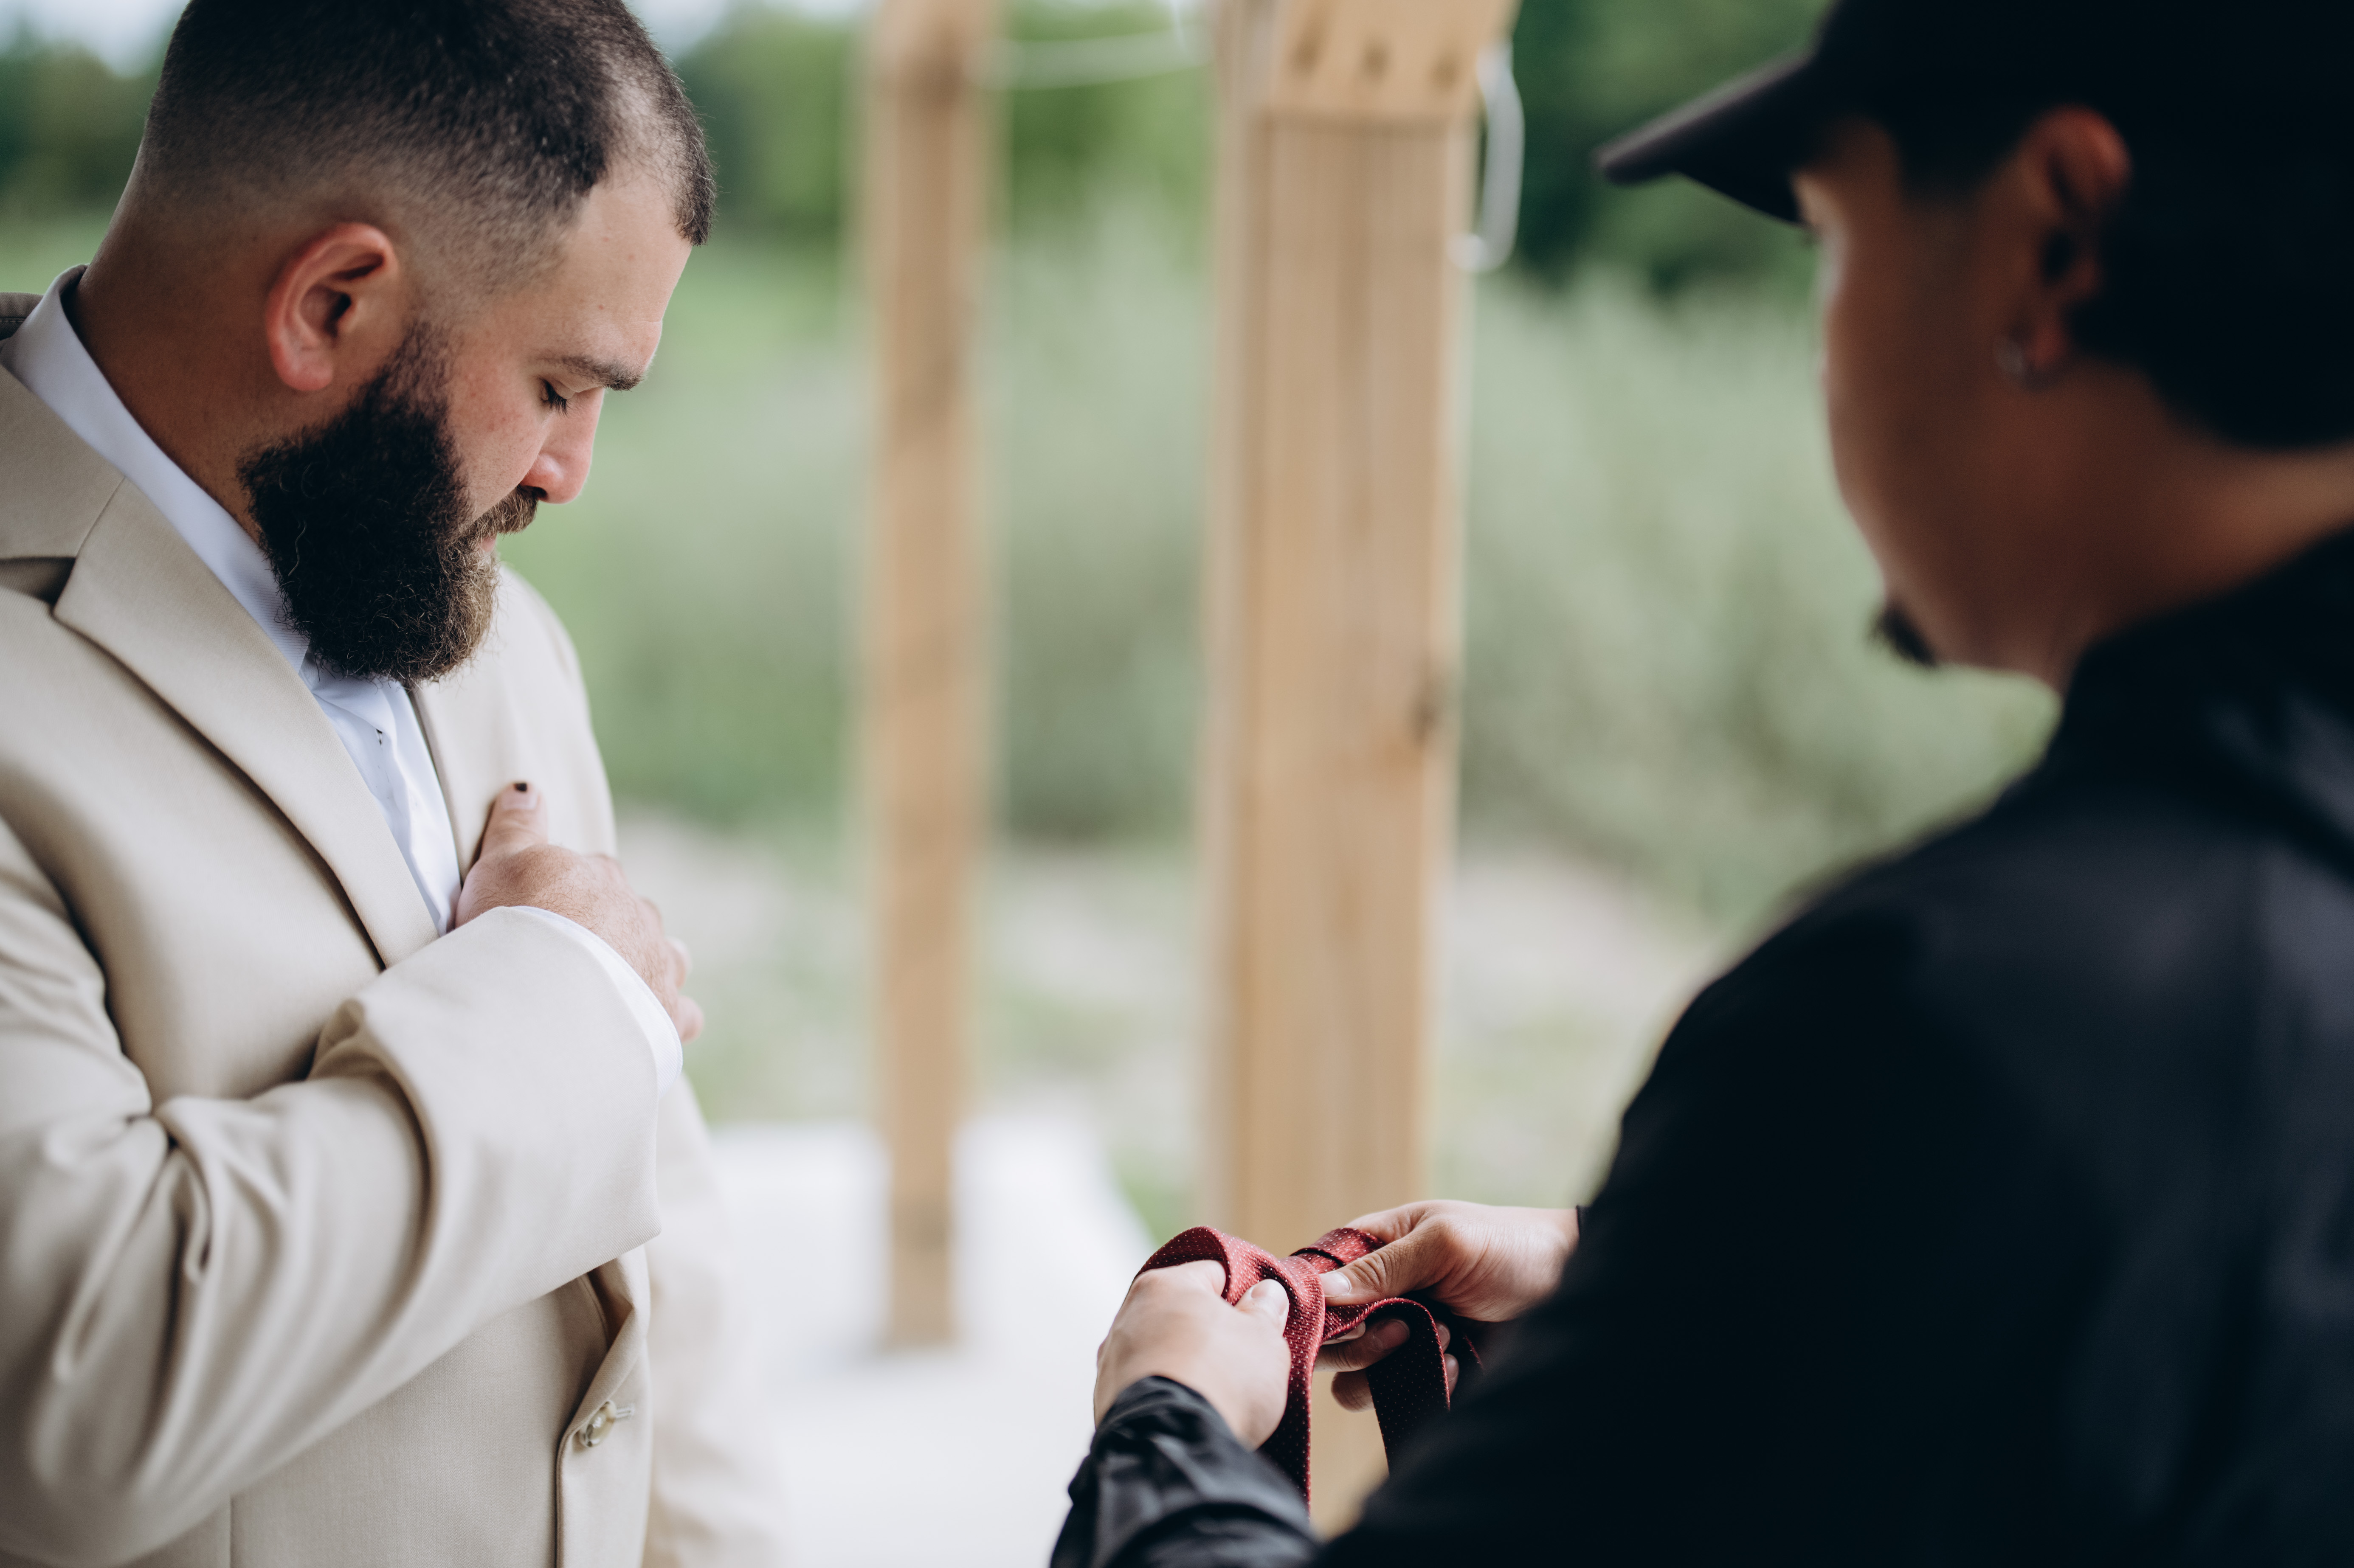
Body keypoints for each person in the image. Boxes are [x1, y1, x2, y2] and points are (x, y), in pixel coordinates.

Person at [1057, 0, 2354, 1560]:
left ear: (2054, 249)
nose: (1826, 344)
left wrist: (1166, 1418)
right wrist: (1689, 1292)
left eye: (1832, 241)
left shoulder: (1942, 1029)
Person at [0, 3, 786, 1564]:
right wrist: (563, 1001)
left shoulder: (495, 630)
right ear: (332, 304)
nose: (571, 472)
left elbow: (658, 1269)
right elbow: (65, 1396)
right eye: (560, 386)